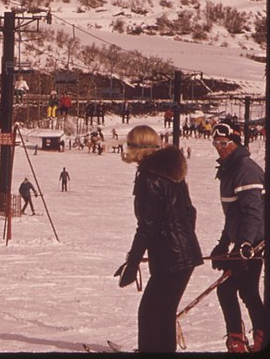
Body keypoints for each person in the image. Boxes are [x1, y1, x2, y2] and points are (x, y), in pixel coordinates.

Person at [114, 125, 203, 353]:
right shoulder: (172, 171)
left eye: (129, 145)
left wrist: (132, 265)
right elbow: (189, 212)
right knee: (163, 314)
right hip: (184, 256)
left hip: (171, 258)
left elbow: (147, 227)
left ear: (137, 148)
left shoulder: (149, 177)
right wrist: (182, 242)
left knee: (150, 314)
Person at [208, 122, 266, 352]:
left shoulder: (244, 169)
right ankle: (257, 338)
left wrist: (244, 245)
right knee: (247, 290)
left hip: (256, 242)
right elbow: (234, 213)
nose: (219, 148)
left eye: (224, 143)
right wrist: (223, 243)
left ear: (236, 142)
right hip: (248, 240)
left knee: (228, 289)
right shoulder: (230, 169)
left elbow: (254, 212)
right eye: (216, 144)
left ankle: (239, 341)